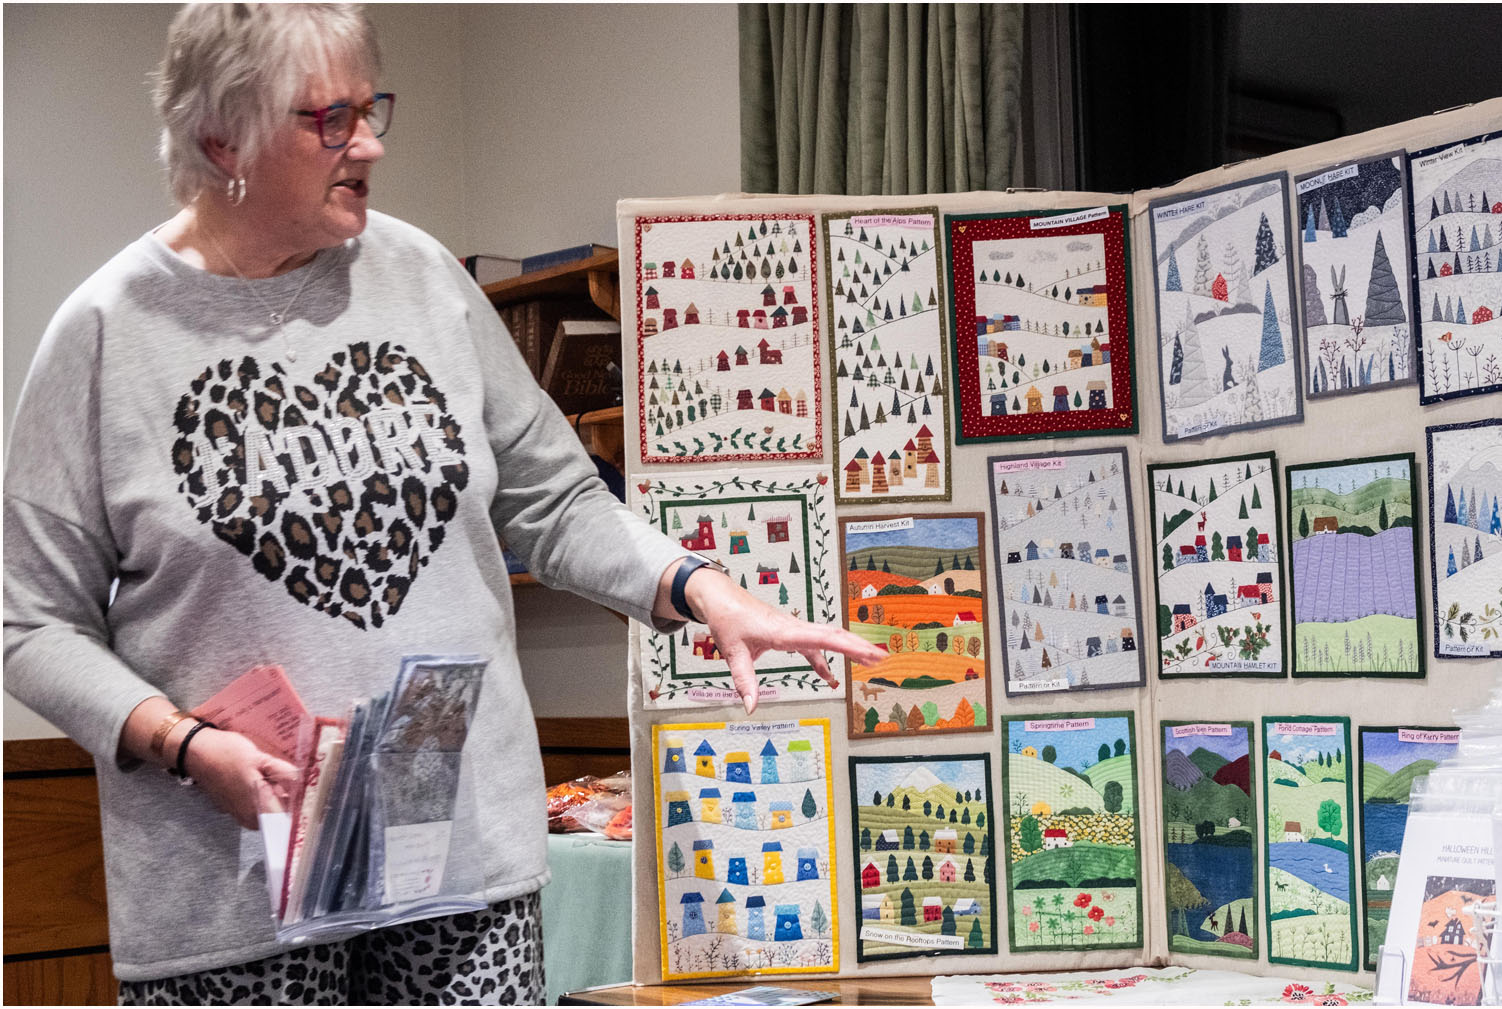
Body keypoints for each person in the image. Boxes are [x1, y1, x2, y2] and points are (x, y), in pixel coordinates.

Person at [2, 5, 880, 1004]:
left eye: (369, 107)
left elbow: (553, 496)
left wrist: (696, 585)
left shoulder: (422, 278)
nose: (368, 142)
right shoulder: (108, 333)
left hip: (461, 870)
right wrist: (178, 740)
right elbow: (28, 620)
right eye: (327, 119)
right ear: (221, 141)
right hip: (233, 891)